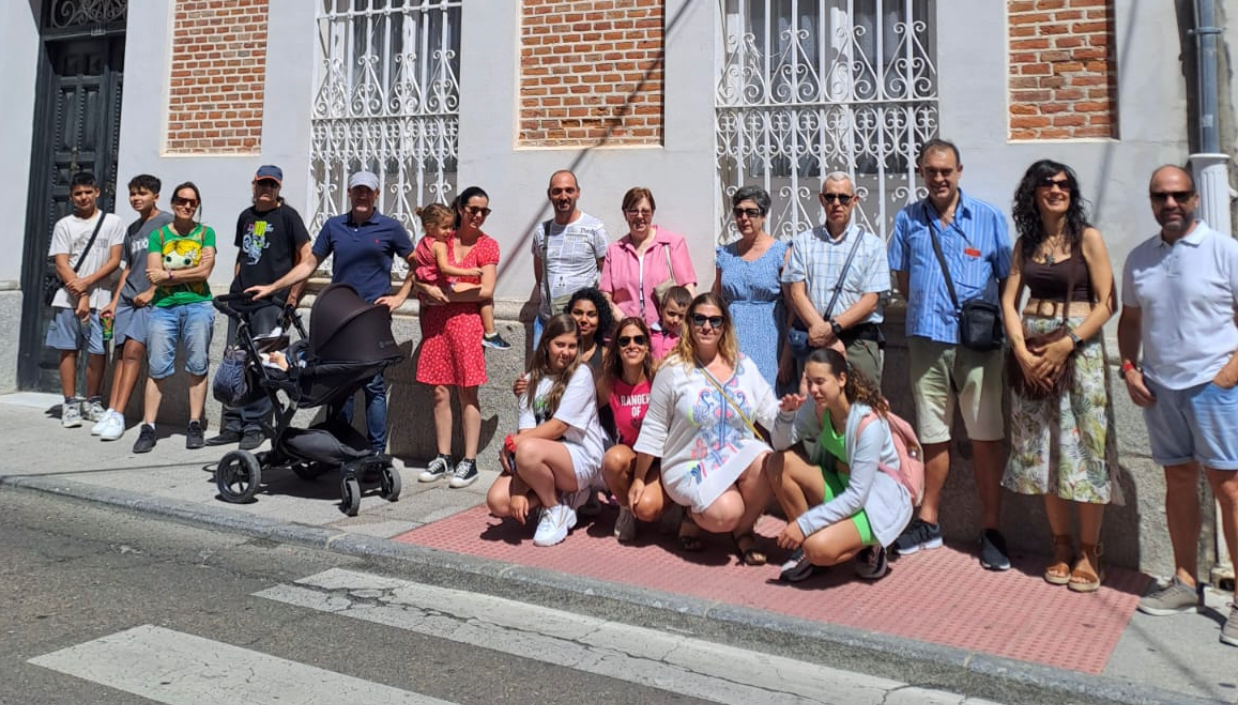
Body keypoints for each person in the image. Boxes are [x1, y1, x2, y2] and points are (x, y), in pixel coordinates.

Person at [1120, 164, 1238, 646]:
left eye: (1179, 195)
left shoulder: (1224, 250)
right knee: (1178, 481)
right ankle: (1187, 582)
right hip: (1160, 388)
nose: (1170, 204)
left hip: (1215, 387)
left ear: (1195, 199)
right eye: (1160, 196)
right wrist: (1129, 369)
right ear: (1151, 202)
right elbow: (1129, 318)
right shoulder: (1139, 258)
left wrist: (1231, 371)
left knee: (1229, 489)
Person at [886, 138, 1014, 570]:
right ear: (921, 173)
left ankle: (992, 528)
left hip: (978, 346)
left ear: (960, 171)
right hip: (926, 339)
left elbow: (1007, 279)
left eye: (946, 170)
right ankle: (929, 520)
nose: (938, 178)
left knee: (985, 438)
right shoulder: (907, 220)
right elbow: (902, 279)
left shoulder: (988, 218)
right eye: (930, 171)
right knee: (932, 434)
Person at [1000, 160, 1122, 592]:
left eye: (1065, 183)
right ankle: (1060, 544)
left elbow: (1109, 302)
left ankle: (1090, 550)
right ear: (1032, 192)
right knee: (1043, 449)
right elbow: (1010, 299)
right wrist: (1019, 349)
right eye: (1048, 183)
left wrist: (1066, 344)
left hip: (1078, 351)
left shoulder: (1087, 238)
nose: (1057, 189)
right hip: (1032, 351)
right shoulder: (1025, 244)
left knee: (1084, 445)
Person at [248, 170, 413, 455]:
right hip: (340, 320)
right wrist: (273, 286)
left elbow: (418, 263)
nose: (362, 196)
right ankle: (338, 448)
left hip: (372, 320)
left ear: (376, 195)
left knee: (373, 385)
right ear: (348, 193)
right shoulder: (334, 226)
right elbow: (309, 263)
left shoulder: (390, 227)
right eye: (357, 190)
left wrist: (400, 296)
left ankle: (376, 453)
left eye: (368, 191)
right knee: (339, 385)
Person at [631, 292, 778, 565]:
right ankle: (692, 515)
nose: (707, 326)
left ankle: (743, 532)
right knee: (726, 512)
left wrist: (799, 413)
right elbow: (654, 427)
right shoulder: (674, 370)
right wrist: (640, 477)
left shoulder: (744, 366)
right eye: (699, 319)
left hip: (735, 455)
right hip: (690, 463)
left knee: (767, 459)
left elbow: (771, 414)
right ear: (689, 323)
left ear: (725, 326)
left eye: (715, 320)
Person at [767, 348, 913, 582]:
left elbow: (858, 496)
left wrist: (804, 524)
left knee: (817, 548)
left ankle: (872, 545)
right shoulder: (815, 407)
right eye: (809, 381)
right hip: (841, 487)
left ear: (841, 379)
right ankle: (808, 547)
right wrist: (786, 415)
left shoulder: (868, 423)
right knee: (778, 463)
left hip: (873, 502)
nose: (813, 390)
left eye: (821, 381)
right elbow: (779, 444)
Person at [391, 187, 500, 489]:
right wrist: (420, 291)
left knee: (467, 391)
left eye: (484, 211)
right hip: (435, 322)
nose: (478, 215)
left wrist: (448, 296)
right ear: (460, 208)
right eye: (473, 209)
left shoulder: (487, 245)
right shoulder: (442, 237)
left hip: (466, 323)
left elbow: (487, 290)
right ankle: (443, 456)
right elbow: (418, 272)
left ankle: (469, 461)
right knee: (439, 391)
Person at [207, 165, 311, 450]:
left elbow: (306, 257)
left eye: (271, 185)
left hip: (271, 303)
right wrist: (236, 284)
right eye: (261, 184)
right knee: (235, 361)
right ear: (253, 186)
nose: (266, 189)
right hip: (240, 302)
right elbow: (243, 254)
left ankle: (256, 424)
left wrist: (291, 298)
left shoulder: (288, 217)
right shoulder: (246, 216)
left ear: (278, 189)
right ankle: (233, 422)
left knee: (263, 364)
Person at [486, 314, 605, 547]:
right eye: (560, 344)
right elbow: (526, 431)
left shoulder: (581, 374)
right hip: (537, 456)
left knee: (527, 449)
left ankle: (554, 507)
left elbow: (559, 427)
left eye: (572, 346)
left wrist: (513, 442)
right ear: (547, 344)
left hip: (580, 456)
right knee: (498, 502)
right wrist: (519, 489)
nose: (566, 352)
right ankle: (565, 497)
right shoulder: (530, 381)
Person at [131, 182, 217, 453]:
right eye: (182, 200)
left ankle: (194, 423)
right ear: (172, 203)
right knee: (157, 368)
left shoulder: (206, 233)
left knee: (197, 365)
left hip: (198, 305)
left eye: (193, 202)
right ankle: (149, 427)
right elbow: (151, 271)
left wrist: (169, 275)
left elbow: (204, 273)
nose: (187, 205)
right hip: (164, 307)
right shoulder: (159, 235)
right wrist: (185, 271)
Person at [782, 172, 889, 387]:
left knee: (861, 412)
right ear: (821, 200)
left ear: (855, 201)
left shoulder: (872, 245)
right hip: (816, 341)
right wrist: (822, 332)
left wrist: (831, 330)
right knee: (816, 414)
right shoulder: (804, 242)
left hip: (857, 343)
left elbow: (870, 301)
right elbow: (796, 292)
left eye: (843, 198)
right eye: (830, 197)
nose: (837, 204)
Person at [92, 174, 169, 441]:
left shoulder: (166, 223)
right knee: (122, 353)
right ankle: (111, 409)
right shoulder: (133, 229)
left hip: (150, 299)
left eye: (143, 193)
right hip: (126, 299)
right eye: (133, 194)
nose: (137, 198)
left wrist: (152, 291)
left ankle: (120, 415)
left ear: (156, 196)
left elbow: (174, 262)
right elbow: (127, 267)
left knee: (135, 350)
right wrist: (113, 302)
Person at [45, 171, 125, 429]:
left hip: (101, 299)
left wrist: (87, 284)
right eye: (78, 193)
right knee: (68, 350)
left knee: (97, 352)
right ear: (71, 197)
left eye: (88, 192)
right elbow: (61, 263)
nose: (83, 197)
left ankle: (92, 401)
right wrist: (80, 293)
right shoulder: (64, 225)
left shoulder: (112, 222)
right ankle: (69, 403)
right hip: (67, 299)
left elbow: (114, 261)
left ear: (97, 192)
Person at [715, 186, 790, 390]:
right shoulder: (725, 254)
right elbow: (716, 302)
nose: (744, 218)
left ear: (764, 215)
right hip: (732, 339)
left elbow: (793, 307)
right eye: (739, 212)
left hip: (770, 339)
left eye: (751, 212)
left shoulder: (781, 253)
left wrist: (787, 356)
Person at [598, 317, 660, 542]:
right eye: (624, 341)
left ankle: (676, 509)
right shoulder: (608, 383)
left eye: (638, 339)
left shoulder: (659, 377)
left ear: (646, 345)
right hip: (631, 457)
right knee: (611, 460)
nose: (632, 345)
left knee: (648, 509)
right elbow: (577, 412)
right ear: (617, 348)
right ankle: (625, 509)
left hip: (660, 460)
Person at [599, 187, 697, 327]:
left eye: (645, 211)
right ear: (625, 214)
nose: (639, 216)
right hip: (626, 334)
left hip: (667, 332)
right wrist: (626, 322)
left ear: (652, 213)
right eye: (633, 210)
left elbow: (688, 289)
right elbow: (605, 297)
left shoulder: (672, 244)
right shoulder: (614, 251)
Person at [531, 170, 608, 346]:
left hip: (581, 328)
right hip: (547, 324)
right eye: (557, 191)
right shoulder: (542, 231)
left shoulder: (594, 228)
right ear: (549, 195)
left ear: (577, 193)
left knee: (581, 374)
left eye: (569, 190)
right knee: (542, 374)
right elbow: (540, 274)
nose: (563, 196)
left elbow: (607, 274)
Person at [565, 287, 613, 374]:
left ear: (601, 319)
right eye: (578, 313)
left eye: (591, 315)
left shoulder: (606, 357)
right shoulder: (559, 353)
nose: (583, 319)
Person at [650, 285, 690, 363]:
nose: (675, 320)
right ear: (661, 310)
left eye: (681, 316)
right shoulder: (650, 333)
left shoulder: (685, 339)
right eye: (671, 314)